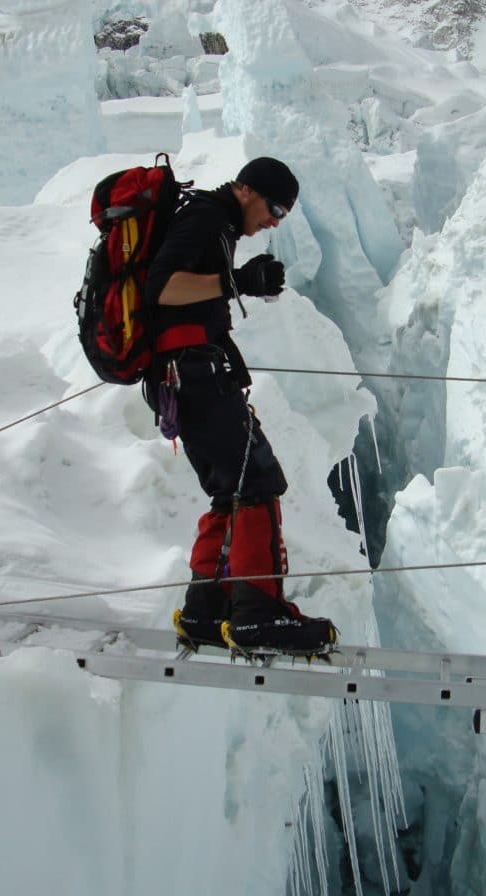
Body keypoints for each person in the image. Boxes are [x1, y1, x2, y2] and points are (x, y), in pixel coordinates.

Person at [145, 157, 336, 654]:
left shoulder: (215, 222)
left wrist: (235, 280)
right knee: (258, 481)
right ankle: (259, 615)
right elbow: (161, 289)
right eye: (274, 208)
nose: (275, 221)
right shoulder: (207, 218)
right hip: (193, 375)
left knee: (231, 489)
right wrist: (236, 282)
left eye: (285, 215)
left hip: (187, 376)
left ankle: (206, 612)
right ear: (247, 190)